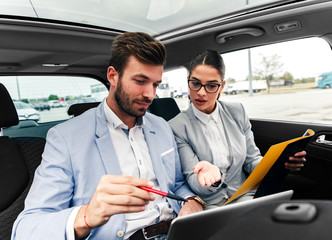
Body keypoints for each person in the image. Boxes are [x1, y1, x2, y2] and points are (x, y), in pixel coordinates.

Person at [11, 32, 204, 240]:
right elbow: (25, 230)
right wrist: (86, 216)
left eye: (155, 84)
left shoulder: (162, 127)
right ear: (113, 76)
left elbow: (176, 184)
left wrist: (192, 201)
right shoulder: (65, 138)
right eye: (140, 81)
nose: (150, 94)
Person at [168, 50, 306, 207]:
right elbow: (193, 180)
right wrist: (213, 179)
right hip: (210, 203)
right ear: (188, 81)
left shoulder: (237, 111)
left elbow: (252, 160)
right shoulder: (177, 127)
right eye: (195, 83)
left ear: (222, 87)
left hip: (245, 194)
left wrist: (278, 164)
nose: (201, 92)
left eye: (212, 86)